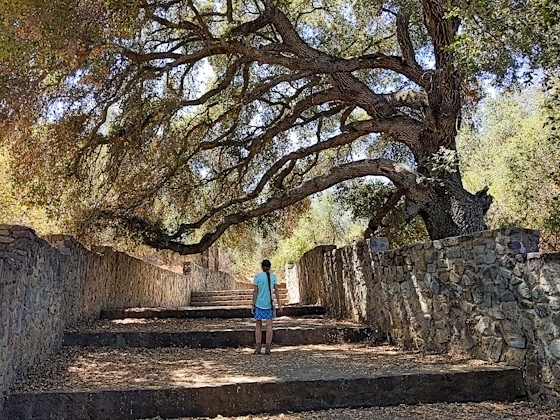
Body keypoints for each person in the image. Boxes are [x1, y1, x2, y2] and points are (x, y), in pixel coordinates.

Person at [251, 259, 282, 355]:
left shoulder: (257, 277)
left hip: (259, 304)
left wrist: (253, 305)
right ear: (270, 267)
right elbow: (276, 291)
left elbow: (255, 292)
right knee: (269, 326)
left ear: (262, 267)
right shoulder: (273, 277)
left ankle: (258, 347)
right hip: (269, 304)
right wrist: (279, 304)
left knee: (258, 326)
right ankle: (268, 347)